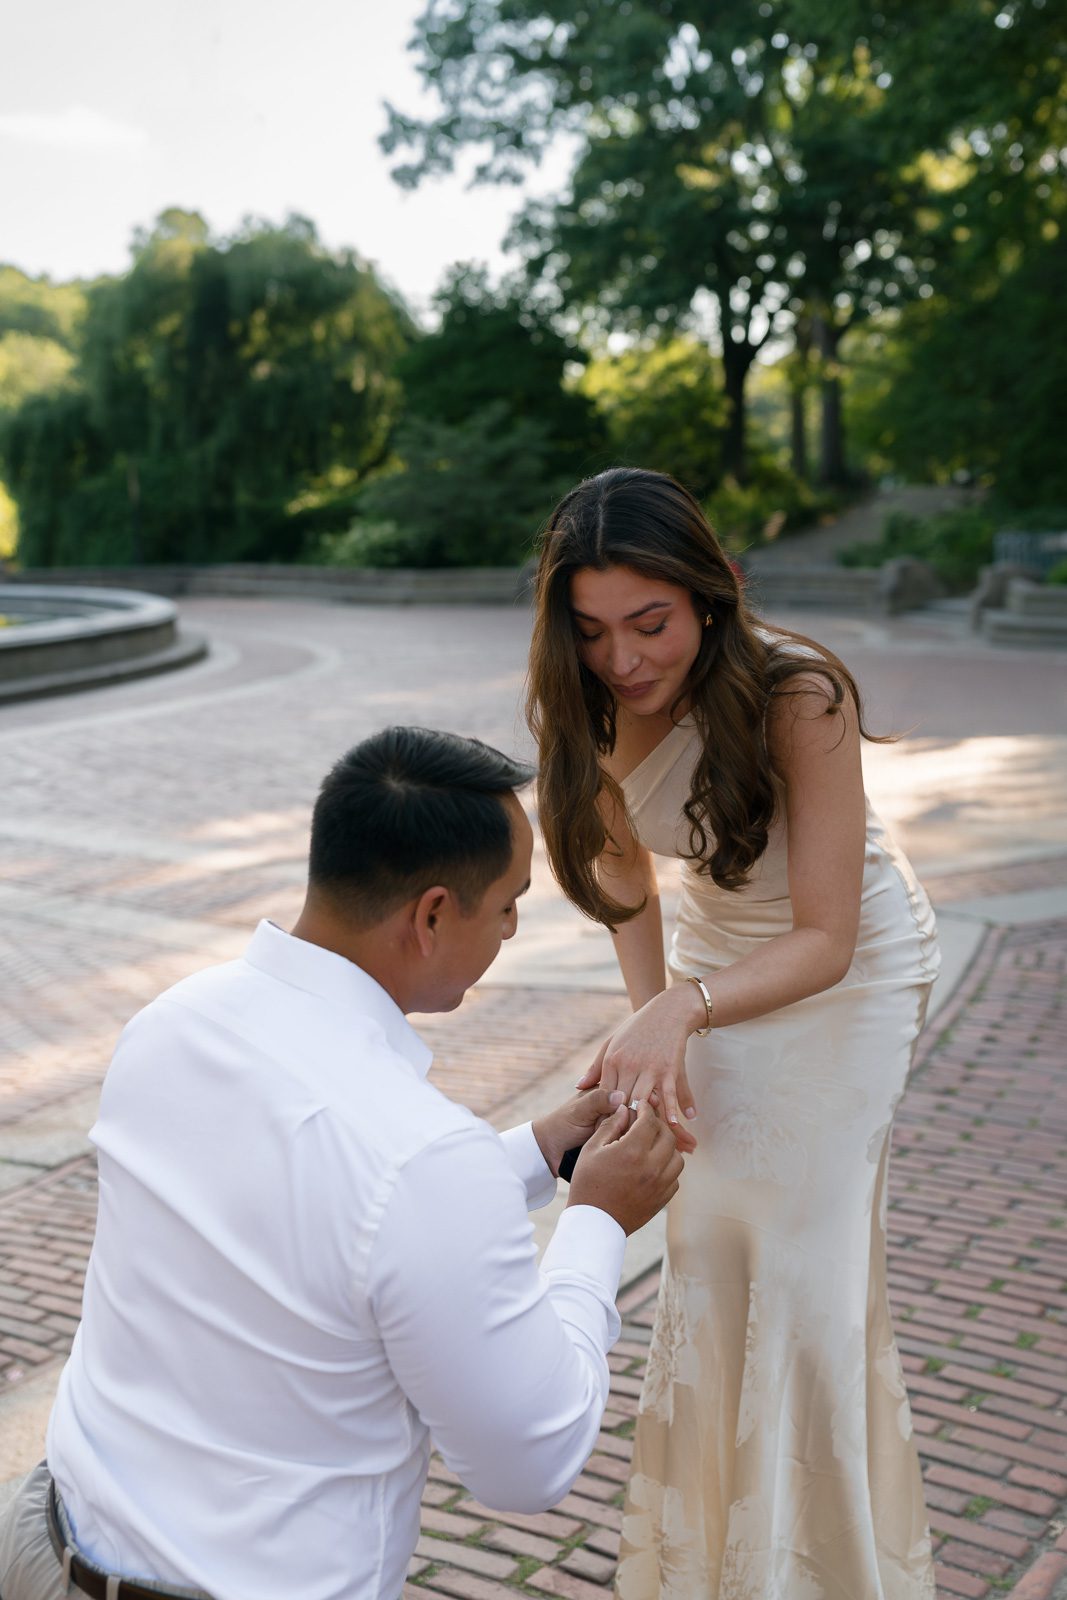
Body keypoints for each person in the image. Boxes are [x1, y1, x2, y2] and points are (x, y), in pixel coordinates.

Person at [0, 725, 684, 1600]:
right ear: (432, 915)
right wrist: (596, 1220)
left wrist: (537, 1154)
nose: (513, 928)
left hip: (48, 1546)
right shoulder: (419, 1157)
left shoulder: (173, 1022)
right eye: (508, 903)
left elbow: (313, 1220)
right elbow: (530, 1459)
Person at [527, 469, 939, 1599]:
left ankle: (818, 1572)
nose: (623, 658)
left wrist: (681, 1010)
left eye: (649, 622)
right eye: (594, 629)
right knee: (706, 1247)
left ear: (712, 595)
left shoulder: (800, 697)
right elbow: (627, 891)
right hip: (713, 965)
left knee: (801, 1273)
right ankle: (709, 1567)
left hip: (844, 974)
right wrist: (648, 1027)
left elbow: (824, 939)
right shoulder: (591, 707)